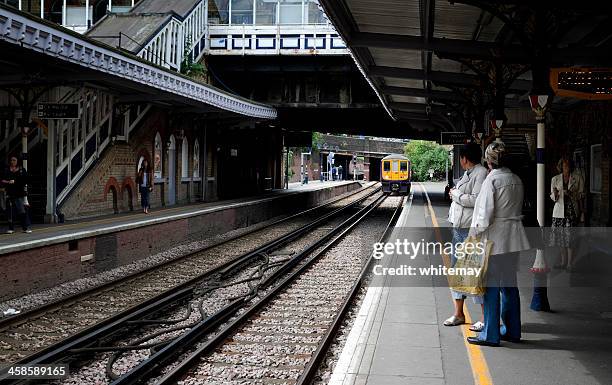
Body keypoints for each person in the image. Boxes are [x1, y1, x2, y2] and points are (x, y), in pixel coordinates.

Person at [467, 141, 531, 347]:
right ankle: (513, 331)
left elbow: (483, 216)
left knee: (491, 288)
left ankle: (490, 334)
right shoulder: (516, 179)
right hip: (514, 239)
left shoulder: (491, 181)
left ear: (489, 160)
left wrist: (473, 237)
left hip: (494, 241)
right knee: (510, 287)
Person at [444, 142, 487, 331]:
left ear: (465, 158)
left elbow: (477, 200)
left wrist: (456, 195)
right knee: (456, 271)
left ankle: (486, 318)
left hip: (470, 231)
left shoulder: (481, 174)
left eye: (460, 157)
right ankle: (459, 313)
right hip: (458, 229)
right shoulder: (468, 174)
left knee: (474, 272)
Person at [549, 157, 584, 272]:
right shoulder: (555, 179)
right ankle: (563, 262)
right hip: (558, 212)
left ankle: (569, 264)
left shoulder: (578, 178)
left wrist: (571, 194)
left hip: (571, 212)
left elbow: (581, 195)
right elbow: (553, 198)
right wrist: (555, 194)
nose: (566, 168)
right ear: (561, 167)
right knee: (560, 238)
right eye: (564, 166)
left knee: (570, 238)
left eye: (568, 166)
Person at [2, 155, 31, 233]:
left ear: (18, 161)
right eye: (11, 160)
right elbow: (2, 180)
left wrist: (16, 182)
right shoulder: (7, 170)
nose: (12, 162)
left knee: (21, 210)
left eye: (14, 160)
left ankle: (25, 228)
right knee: (10, 211)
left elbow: (26, 180)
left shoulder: (22, 170)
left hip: (19, 193)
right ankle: (11, 228)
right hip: (9, 192)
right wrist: (8, 182)